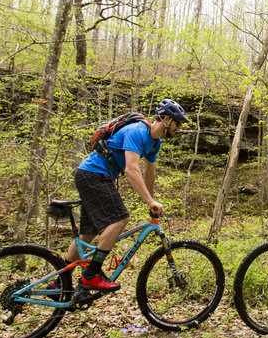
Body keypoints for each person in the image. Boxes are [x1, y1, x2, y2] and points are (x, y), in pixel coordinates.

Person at [64, 98, 190, 291]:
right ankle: (91, 274)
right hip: (93, 175)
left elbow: (150, 172)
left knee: (87, 234)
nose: (178, 128)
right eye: (177, 123)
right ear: (165, 119)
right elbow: (132, 169)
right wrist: (148, 200)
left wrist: (151, 200)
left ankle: (61, 283)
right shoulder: (137, 131)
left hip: (95, 176)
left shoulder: (154, 143)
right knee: (119, 220)